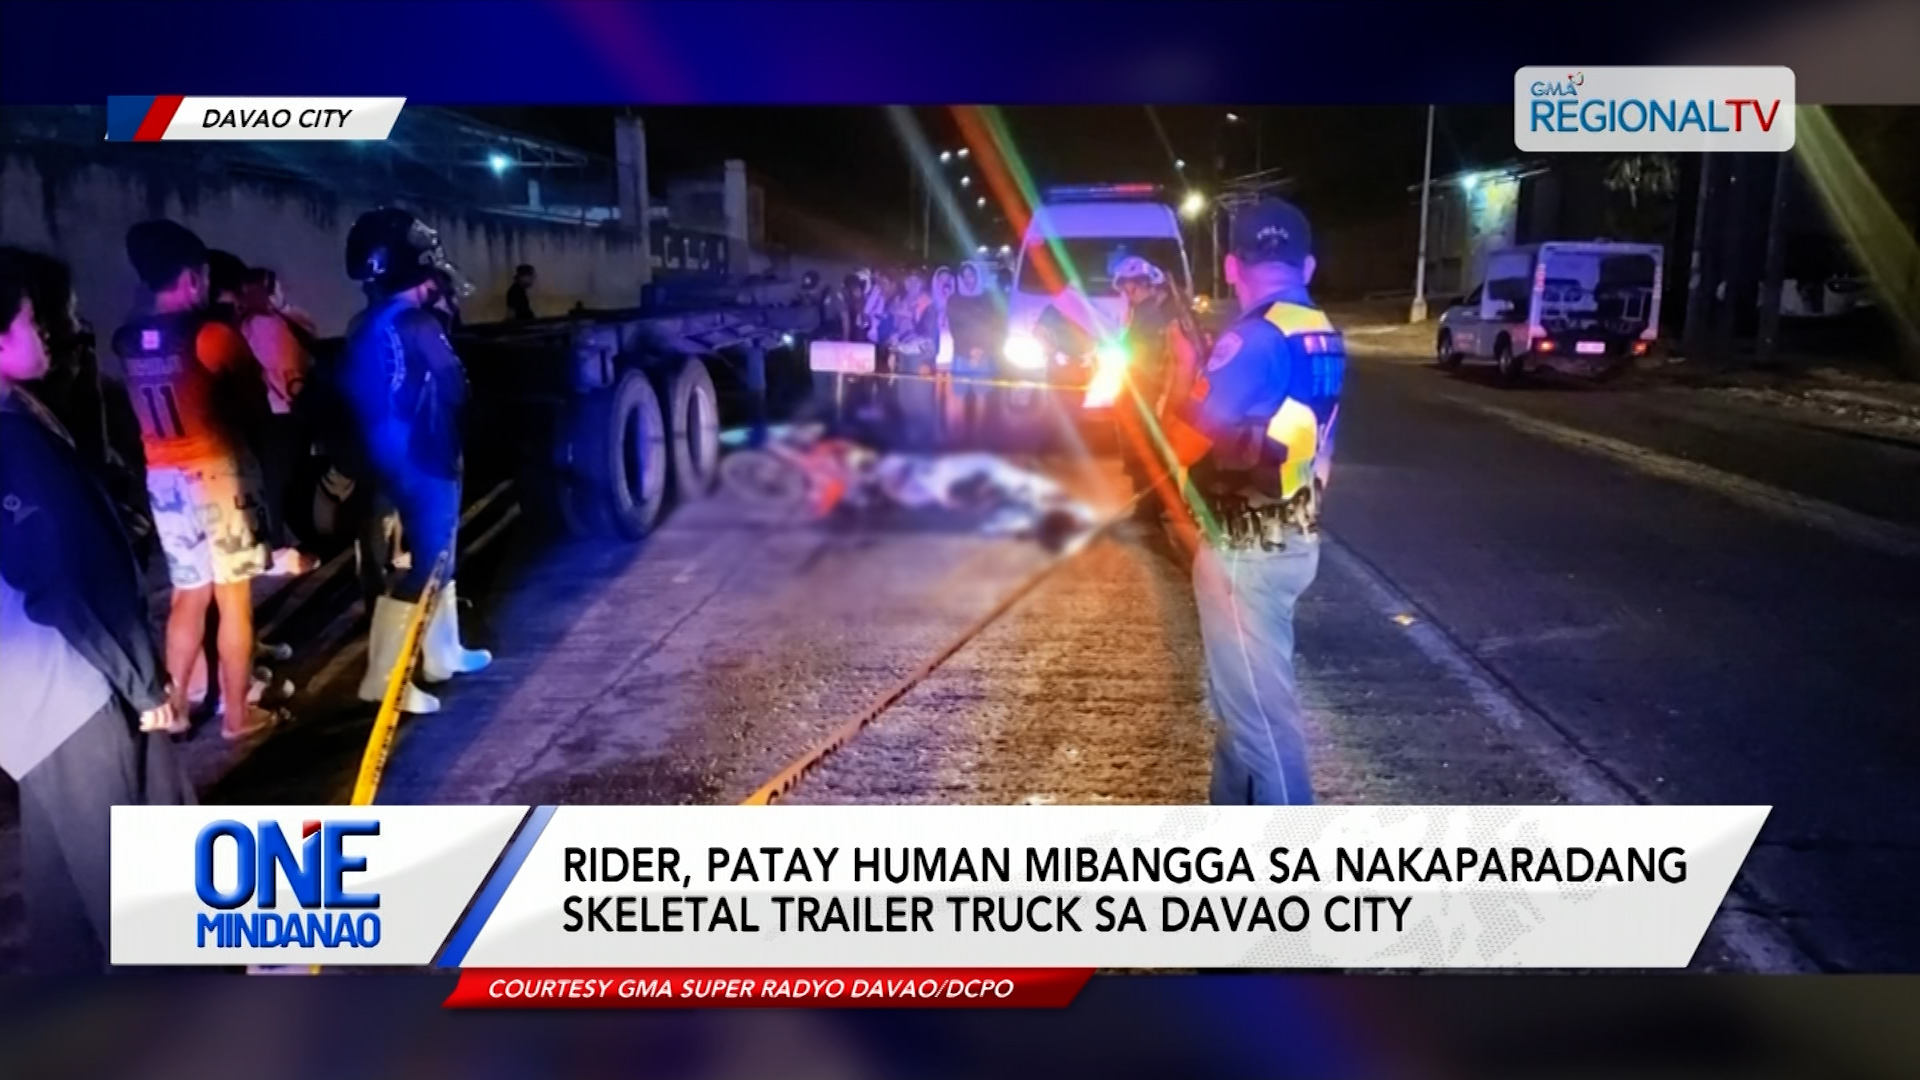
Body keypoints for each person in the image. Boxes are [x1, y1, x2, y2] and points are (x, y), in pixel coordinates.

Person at [0, 248, 196, 974]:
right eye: (31, 319)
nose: (49, 332)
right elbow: (61, 580)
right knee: (138, 896)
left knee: (63, 903)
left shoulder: (20, 415)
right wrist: (145, 684)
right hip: (70, 688)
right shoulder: (12, 441)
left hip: (27, 701)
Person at [1159, 199, 1345, 806]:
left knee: (1263, 728)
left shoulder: (1252, 338)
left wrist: (1187, 372)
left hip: (1247, 551)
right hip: (1293, 535)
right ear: (1308, 265)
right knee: (1244, 712)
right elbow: (1323, 446)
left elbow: (1183, 443)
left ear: (1233, 266)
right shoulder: (1321, 333)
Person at [113, 221, 284, 742]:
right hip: (219, 475)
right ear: (192, 276)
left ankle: (176, 708)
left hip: (164, 478)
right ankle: (236, 715)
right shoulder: (212, 335)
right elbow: (255, 404)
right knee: (233, 600)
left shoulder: (128, 341)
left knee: (188, 594)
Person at [342, 208, 492, 715]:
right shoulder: (419, 323)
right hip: (427, 457)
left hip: (385, 458)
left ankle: (442, 653)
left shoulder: (365, 322)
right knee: (427, 562)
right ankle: (386, 679)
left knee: (434, 559)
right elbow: (457, 387)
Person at [1113, 256, 1206, 521]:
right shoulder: (1156, 310)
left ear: (1147, 285)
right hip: (1149, 392)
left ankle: (1149, 510)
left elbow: (1162, 357)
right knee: (1153, 450)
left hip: (1149, 394)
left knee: (1142, 450)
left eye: (1134, 286)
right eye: (1126, 287)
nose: (1129, 292)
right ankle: (1163, 504)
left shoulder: (1152, 314)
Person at [946, 263, 1004, 446]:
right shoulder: (954, 299)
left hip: (983, 353)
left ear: (977, 277)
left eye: (971, 275)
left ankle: (978, 436)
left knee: (981, 395)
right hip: (962, 352)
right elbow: (955, 327)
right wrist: (969, 350)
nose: (968, 279)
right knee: (958, 395)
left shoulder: (987, 298)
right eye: (965, 276)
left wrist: (981, 349)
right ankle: (958, 436)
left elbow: (994, 326)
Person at [888, 267, 941, 450]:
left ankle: (924, 443)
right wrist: (893, 351)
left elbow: (930, 335)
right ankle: (908, 441)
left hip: (921, 355)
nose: (911, 284)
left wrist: (928, 361)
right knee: (905, 398)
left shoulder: (928, 304)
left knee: (921, 400)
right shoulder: (901, 302)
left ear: (922, 283)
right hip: (904, 355)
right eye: (908, 280)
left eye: (915, 280)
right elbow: (896, 330)